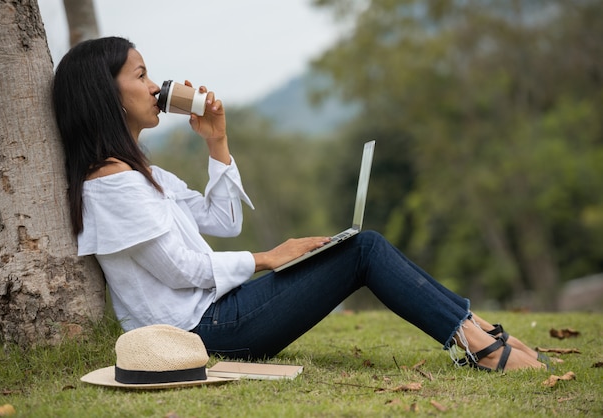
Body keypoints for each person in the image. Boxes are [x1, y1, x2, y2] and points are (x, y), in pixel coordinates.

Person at [52, 37, 545, 372]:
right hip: (203, 331)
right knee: (364, 251)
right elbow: (180, 270)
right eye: (142, 76)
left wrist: (217, 142)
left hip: (219, 314)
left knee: (359, 247)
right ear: (106, 94)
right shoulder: (110, 185)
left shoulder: (145, 174)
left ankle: (472, 329)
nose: (156, 87)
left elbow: (223, 221)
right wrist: (269, 257)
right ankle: (477, 346)